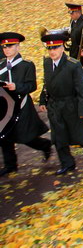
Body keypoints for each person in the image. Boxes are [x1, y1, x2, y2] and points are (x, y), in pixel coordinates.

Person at [39, 32, 83, 175]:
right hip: (54, 106)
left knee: (79, 135)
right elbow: (47, 83)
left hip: (70, 105)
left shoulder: (73, 65)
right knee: (58, 137)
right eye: (49, 48)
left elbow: (82, 90)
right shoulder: (47, 63)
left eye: (55, 48)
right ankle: (67, 163)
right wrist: (43, 99)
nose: (52, 51)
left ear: (62, 48)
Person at [0, 32, 51, 176]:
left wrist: (17, 87)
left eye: (10, 46)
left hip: (21, 105)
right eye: (4, 47)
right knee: (4, 136)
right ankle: (10, 165)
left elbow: (31, 86)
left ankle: (45, 145)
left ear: (17, 46)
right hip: (5, 107)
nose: (7, 49)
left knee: (25, 136)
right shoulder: (1, 65)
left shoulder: (26, 65)